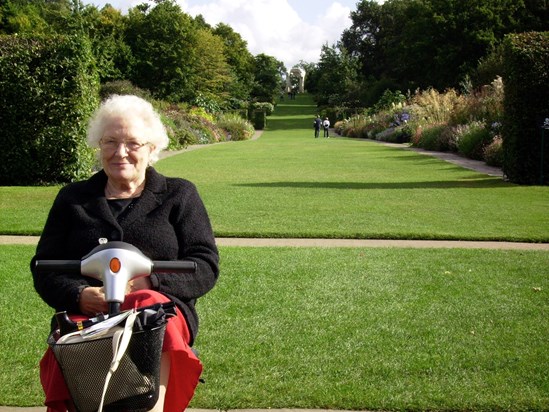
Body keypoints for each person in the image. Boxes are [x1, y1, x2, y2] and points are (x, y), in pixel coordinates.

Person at [31, 94, 220, 412]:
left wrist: (150, 284)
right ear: (99, 145)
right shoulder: (73, 199)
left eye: (133, 143)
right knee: (70, 334)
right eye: (110, 142)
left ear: (151, 148)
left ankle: (153, 407)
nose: (121, 153)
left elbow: (205, 264)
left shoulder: (179, 195)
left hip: (158, 316)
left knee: (151, 310)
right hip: (89, 314)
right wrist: (80, 295)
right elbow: (43, 267)